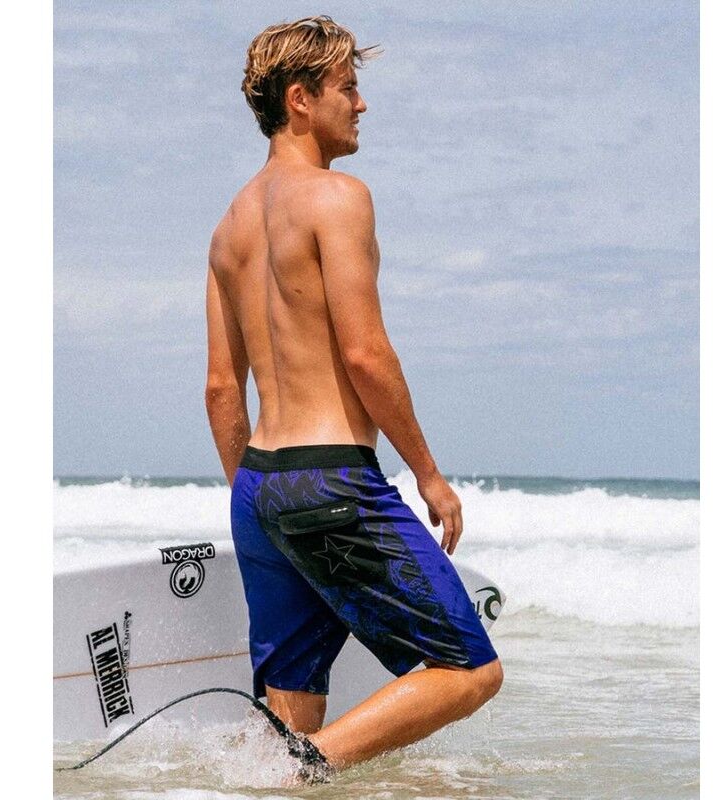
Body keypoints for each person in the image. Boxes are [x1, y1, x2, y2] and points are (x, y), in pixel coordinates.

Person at [205, 15, 503, 781]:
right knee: (470, 670)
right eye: (348, 87)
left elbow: (220, 389)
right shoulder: (337, 198)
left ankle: (276, 774)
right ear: (300, 99)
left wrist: (261, 509)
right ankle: (307, 769)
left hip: (260, 487)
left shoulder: (229, 229)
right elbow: (365, 353)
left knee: (292, 703)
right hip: (330, 476)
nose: (361, 104)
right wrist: (428, 474)